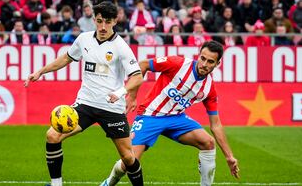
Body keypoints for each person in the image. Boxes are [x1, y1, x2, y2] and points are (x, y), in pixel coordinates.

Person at [24, 1, 144, 186]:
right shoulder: (84, 39)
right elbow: (66, 58)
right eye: (99, 21)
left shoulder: (121, 47)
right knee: (52, 135)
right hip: (85, 104)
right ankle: (56, 184)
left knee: (128, 157)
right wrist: (40, 72)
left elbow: (137, 77)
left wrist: (121, 92)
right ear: (94, 20)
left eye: (108, 22)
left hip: (111, 109)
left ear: (115, 21)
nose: (103, 26)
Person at [101, 41, 240, 186]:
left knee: (208, 143)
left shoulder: (209, 88)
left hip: (176, 118)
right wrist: (133, 96)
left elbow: (216, 124)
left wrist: (229, 156)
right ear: (198, 56)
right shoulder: (178, 63)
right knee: (129, 160)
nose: (204, 64)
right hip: (150, 115)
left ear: (217, 64)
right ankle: (108, 183)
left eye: (210, 61)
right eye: (202, 58)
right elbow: (143, 65)